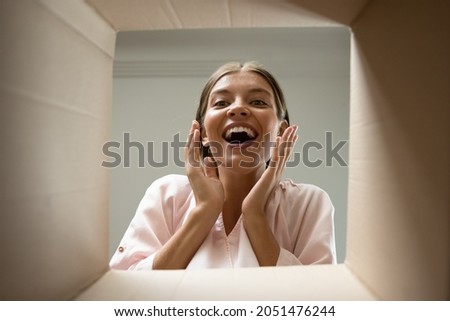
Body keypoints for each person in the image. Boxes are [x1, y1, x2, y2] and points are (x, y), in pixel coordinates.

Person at [110, 61, 336, 270]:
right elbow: (125, 292)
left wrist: (254, 214)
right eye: (221, 103)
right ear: (204, 133)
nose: (237, 109)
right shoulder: (167, 194)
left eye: (257, 101)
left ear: (282, 131)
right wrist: (204, 211)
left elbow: (319, 303)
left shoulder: (309, 203)